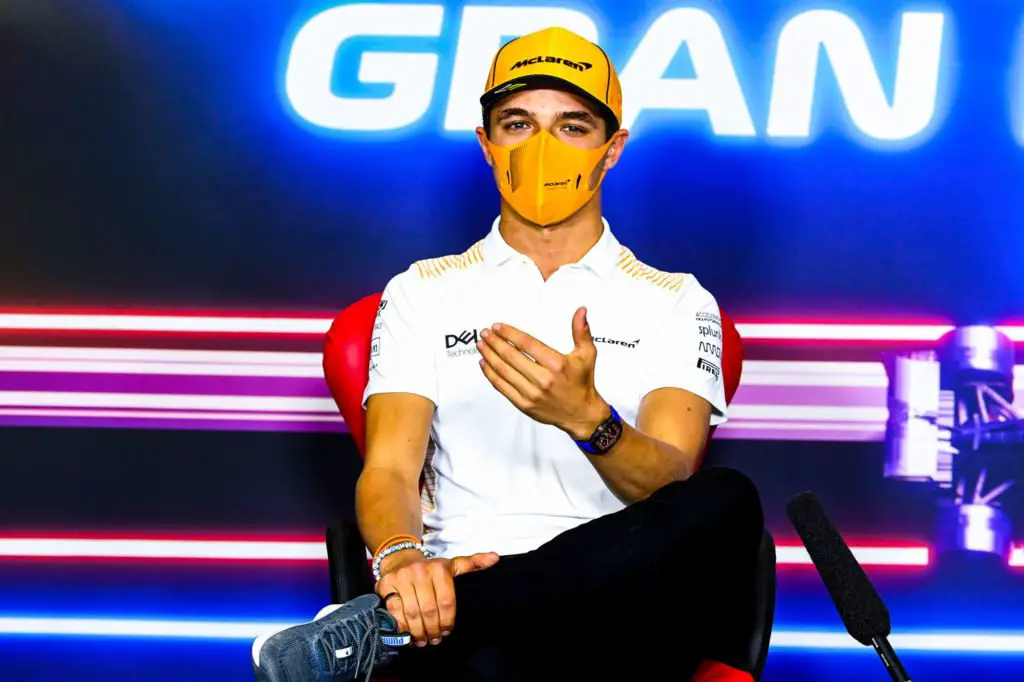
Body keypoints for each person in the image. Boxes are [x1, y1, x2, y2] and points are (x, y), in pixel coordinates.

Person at [252, 26, 763, 682]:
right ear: (486, 144)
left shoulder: (677, 301)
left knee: (727, 498)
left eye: (573, 126)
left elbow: (669, 482)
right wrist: (403, 561)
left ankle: (390, 630)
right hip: (464, 605)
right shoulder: (422, 292)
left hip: (623, 618)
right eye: (518, 123)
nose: (544, 147)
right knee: (494, 661)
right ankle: (452, 614)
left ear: (612, 149)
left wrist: (589, 421)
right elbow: (389, 471)